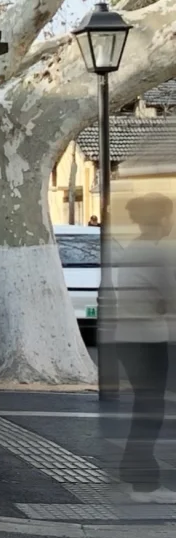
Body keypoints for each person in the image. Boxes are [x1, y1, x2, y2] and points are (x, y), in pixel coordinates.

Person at [110, 192, 176, 500]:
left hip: (128, 337)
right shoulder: (158, 253)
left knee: (145, 406)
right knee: (151, 410)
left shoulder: (134, 249)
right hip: (148, 339)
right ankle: (143, 483)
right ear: (162, 218)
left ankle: (132, 470)